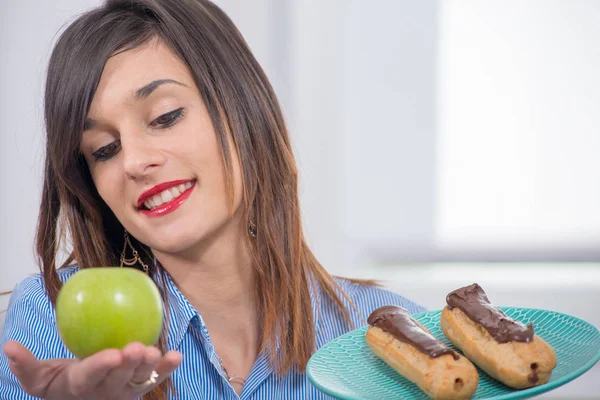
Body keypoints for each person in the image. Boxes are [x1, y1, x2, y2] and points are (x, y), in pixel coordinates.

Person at [0, 0, 425, 399]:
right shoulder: (48, 316)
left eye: (165, 117)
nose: (133, 161)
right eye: (104, 150)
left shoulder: (389, 333)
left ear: (242, 107)